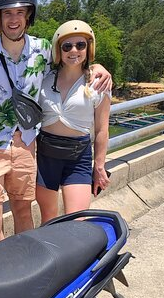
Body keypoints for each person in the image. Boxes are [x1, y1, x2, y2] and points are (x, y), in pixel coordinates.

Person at [0, 0, 111, 246]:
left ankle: (26, 267)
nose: (14, 19)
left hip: (26, 145)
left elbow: (74, 61)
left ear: (28, 17)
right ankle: (0, 272)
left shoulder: (43, 50)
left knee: (23, 211)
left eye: (20, 13)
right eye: (7, 13)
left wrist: (98, 67)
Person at [35, 20, 111, 223]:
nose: (74, 51)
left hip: (78, 157)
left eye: (81, 45)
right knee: (49, 221)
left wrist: (100, 166)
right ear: (59, 49)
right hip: (46, 155)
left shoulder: (98, 82)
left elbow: (102, 129)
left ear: (89, 48)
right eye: (67, 46)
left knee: (77, 221)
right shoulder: (45, 78)